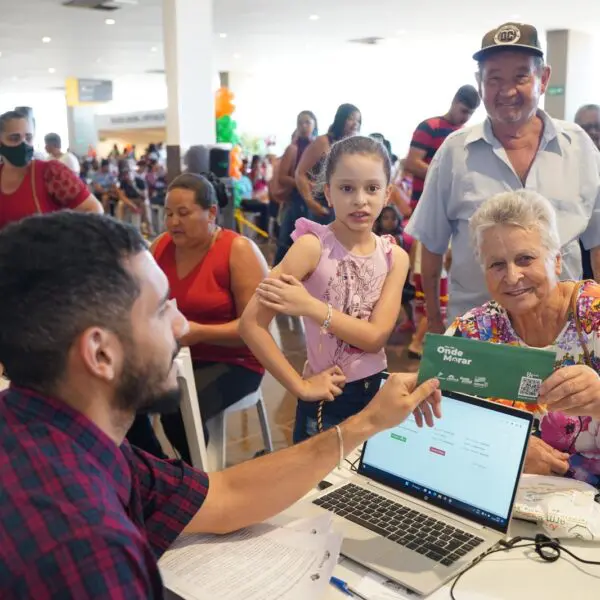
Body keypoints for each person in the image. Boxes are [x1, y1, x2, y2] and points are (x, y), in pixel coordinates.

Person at [0, 211, 441, 597]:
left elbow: (224, 496)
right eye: (159, 310)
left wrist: (366, 423)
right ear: (100, 353)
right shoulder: (83, 549)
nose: (180, 323)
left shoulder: (70, 441)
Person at [406, 22, 600, 329]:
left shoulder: (579, 148)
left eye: (521, 76)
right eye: (494, 79)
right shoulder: (455, 153)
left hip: (565, 333)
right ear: (479, 83)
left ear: (544, 78)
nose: (507, 91)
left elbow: (597, 242)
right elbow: (431, 249)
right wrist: (433, 329)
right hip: (476, 336)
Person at [241, 136, 409, 442]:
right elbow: (251, 323)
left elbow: (375, 338)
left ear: (388, 194)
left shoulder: (394, 257)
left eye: (372, 188)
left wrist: (310, 306)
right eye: (347, 188)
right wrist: (299, 386)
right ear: (328, 193)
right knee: (318, 489)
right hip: (326, 400)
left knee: (367, 489)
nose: (360, 200)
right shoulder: (311, 248)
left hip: (377, 395)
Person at [448, 190, 600, 486]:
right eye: (497, 265)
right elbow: (437, 420)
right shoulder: (472, 332)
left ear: (556, 261)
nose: (513, 276)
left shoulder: (593, 313)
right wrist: (504, 448)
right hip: (506, 497)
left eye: (525, 258)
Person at [151, 173, 268, 463]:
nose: (173, 222)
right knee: (122, 396)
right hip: (181, 357)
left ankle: (201, 481)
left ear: (211, 212)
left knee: (175, 408)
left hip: (237, 362)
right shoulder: (161, 247)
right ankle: (153, 471)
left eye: (183, 213)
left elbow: (257, 328)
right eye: (168, 214)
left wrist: (201, 332)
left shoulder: (237, 250)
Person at [403, 85, 479, 357]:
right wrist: (444, 174)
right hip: (423, 212)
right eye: (462, 111)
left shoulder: (465, 135)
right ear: (454, 102)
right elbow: (410, 162)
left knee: (448, 276)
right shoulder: (431, 126)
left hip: (452, 214)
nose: (464, 118)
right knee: (427, 276)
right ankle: (424, 334)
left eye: (470, 114)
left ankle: (431, 335)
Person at [0, 111, 102, 228]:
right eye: (14, 138)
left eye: (28, 137)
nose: (23, 144)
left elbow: (94, 209)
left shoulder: (51, 172)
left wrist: (65, 240)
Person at [295, 103, 361, 225]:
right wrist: (311, 202)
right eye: (351, 119)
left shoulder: (354, 148)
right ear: (341, 119)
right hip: (322, 207)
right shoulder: (323, 142)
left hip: (345, 208)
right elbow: (300, 173)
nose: (355, 123)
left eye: (358, 121)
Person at [274, 111, 318, 265]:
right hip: (295, 201)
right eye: (300, 123)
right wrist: (302, 183)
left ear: (314, 124)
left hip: (313, 202)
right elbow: (282, 177)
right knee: (286, 244)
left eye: (307, 122)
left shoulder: (318, 147)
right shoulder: (293, 149)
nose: (304, 126)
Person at [575, 104, 600, 280]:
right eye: (586, 128)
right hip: (580, 250)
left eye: (597, 127)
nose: (593, 132)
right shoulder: (567, 164)